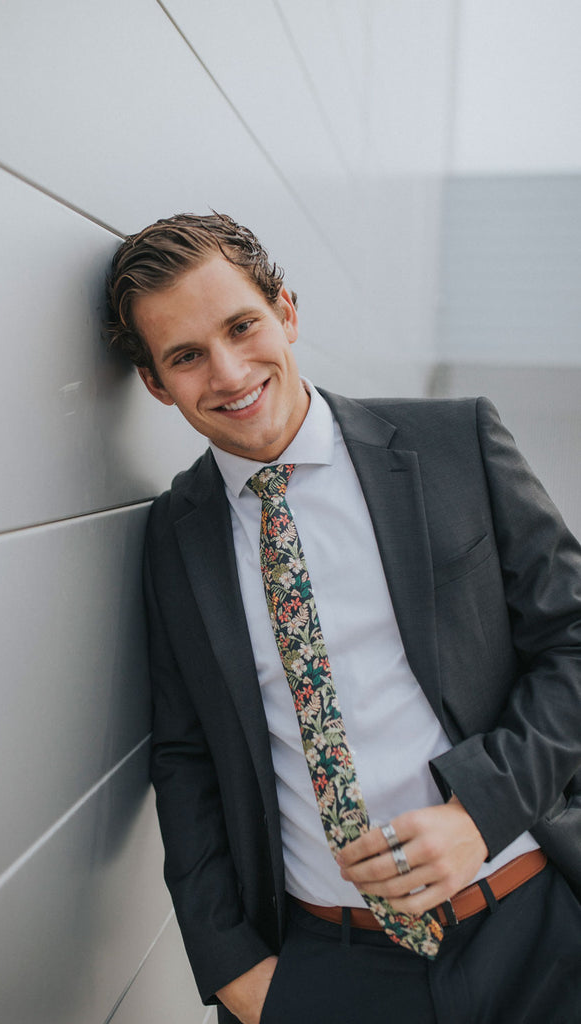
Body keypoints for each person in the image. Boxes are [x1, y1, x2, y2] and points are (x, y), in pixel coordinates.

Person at [106, 212, 581, 1024]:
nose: (226, 372)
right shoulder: (172, 533)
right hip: (330, 972)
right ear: (155, 383)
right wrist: (234, 970)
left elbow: (569, 642)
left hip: (532, 929)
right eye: (185, 356)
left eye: (242, 326)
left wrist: (479, 814)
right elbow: (185, 758)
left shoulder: (454, 439)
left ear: (286, 312)